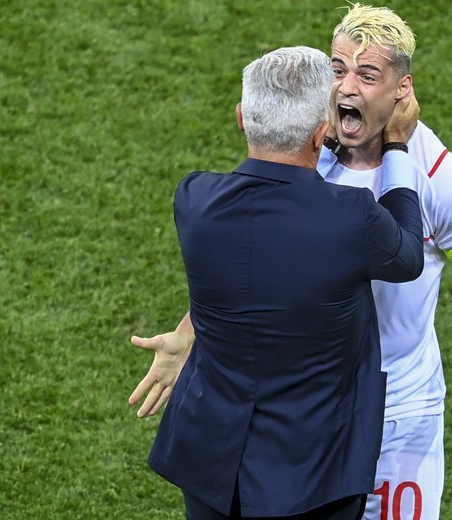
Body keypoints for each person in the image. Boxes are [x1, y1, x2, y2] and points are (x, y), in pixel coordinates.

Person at [131, 46, 425, 520]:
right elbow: (408, 255)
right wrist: (394, 145)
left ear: (242, 118)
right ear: (321, 133)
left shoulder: (194, 199)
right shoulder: (351, 220)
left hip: (211, 462)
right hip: (315, 475)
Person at [316, 4, 452, 519]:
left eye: (367, 75)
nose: (345, 88)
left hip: (401, 414)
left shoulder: (442, 180)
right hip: (309, 403)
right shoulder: (305, 149)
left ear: (403, 88)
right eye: (338, 70)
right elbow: (250, 255)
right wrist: (190, 331)